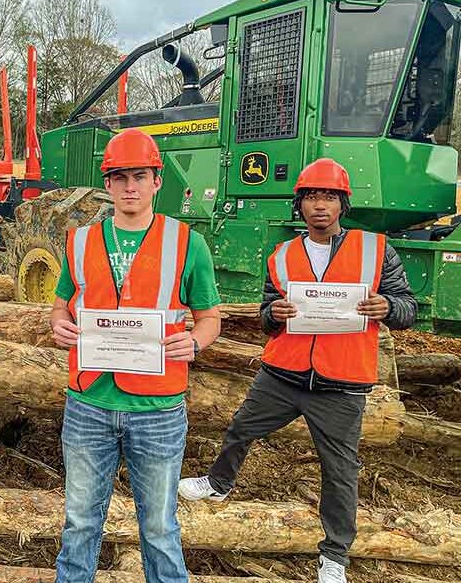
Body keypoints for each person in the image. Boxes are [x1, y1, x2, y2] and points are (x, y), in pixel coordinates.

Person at [178, 158, 417, 583]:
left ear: (342, 203)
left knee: (341, 471)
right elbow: (266, 317)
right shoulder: (283, 255)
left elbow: (407, 308)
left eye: (328, 197)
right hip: (283, 374)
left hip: (341, 383)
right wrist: (275, 312)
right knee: (240, 429)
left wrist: (389, 307)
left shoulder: (377, 250)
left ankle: (334, 557)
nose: (319, 205)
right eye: (310, 197)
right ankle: (218, 483)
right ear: (300, 205)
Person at [50, 129, 222, 583]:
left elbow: (210, 318)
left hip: (158, 408)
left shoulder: (188, 243)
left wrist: (197, 341)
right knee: (80, 523)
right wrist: (57, 324)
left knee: (160, 527)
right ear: (106, 183)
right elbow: (61, 303)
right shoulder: (81, 241)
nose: (130, 187)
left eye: (139, 176)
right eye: (120, 177)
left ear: (157, 181)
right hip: (89, 404)